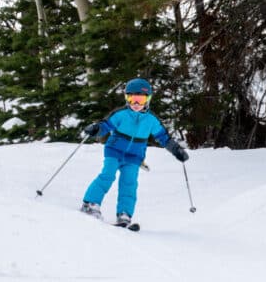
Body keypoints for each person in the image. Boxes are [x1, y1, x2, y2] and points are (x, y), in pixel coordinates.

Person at [80, 78, 189, 226]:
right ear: (127, 99)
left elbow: (164, 137)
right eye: (132, 99)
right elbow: (106, 125)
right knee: (107, 175)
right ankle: (90, 204)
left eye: (140, 99)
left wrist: (176, 150)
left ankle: (124, 214)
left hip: (134, 156)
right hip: (114, 150)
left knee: (129, 183)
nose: (136, 103)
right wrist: (96, 129)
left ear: (148, 99)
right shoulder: (121, 114)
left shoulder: (151, 120)